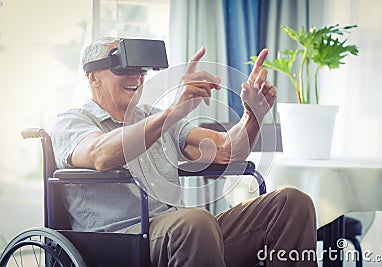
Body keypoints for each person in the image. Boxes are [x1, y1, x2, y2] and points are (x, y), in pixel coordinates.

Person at [52, 37, 317, 267]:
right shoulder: (73, 121)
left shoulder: (153, 117)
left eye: (140, 68)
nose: (135, 76)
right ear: (92, 77)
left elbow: (227, 151)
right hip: (120, 240)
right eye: (122, 68)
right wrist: (172, 112)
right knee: (195, 222)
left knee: (291, 202)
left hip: (181, 232)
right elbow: (101, 154)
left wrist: (253, 115)